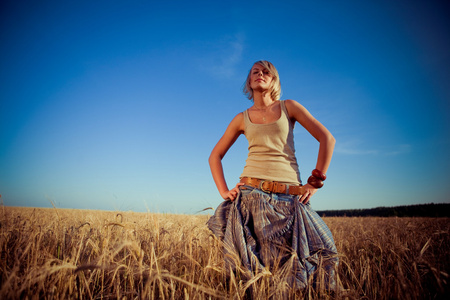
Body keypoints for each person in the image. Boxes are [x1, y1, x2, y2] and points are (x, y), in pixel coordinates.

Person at [207, 60, 338, 292]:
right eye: (255, 72)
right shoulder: (242, 118)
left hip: (291, 199)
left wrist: (314, 183)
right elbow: (215, 155)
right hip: (250, 196)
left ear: (274, 80)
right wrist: (224, 191)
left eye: (266, 71)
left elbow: (327, 138)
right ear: (249, 81)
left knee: (325, 254)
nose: (260, 74)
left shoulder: (289, 107)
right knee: (253, 275)